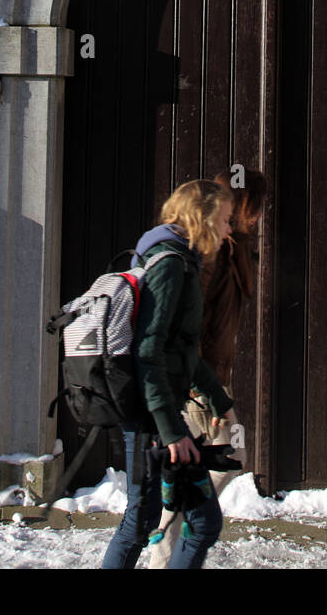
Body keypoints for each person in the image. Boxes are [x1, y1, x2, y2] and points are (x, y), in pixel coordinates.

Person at [100, 178, 234, 570]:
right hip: (151, 419)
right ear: (203, 216)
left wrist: (218, 398)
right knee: (196, 522)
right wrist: (171, 430)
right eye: (224, 219)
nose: (229, 230)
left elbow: (183, 350)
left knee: (142, 522)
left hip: (156, 415)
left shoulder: (178, 259)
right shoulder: (171, 264)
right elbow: (149, 349)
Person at [148, 168, 266, 568]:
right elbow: (184, 327)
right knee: (230, 452)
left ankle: (170, 525)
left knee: (219, 458)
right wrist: (201, 389)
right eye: (252, 209)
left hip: (211, 375)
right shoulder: (211, 254)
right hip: (199, 377)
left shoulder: (234, 246)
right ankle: (166, 539)